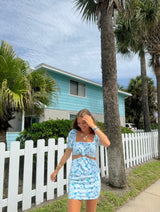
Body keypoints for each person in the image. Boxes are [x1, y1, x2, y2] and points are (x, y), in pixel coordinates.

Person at [50, 109, 110, 212]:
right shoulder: (73, 134)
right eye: (79, 123)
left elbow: (107, 143)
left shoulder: (95, 134)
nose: (81, 125)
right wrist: (57, 170)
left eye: (84, 122)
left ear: (90, 121)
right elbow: (67, 153)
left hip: (92, 178)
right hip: (76, 179)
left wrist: (93, 126)